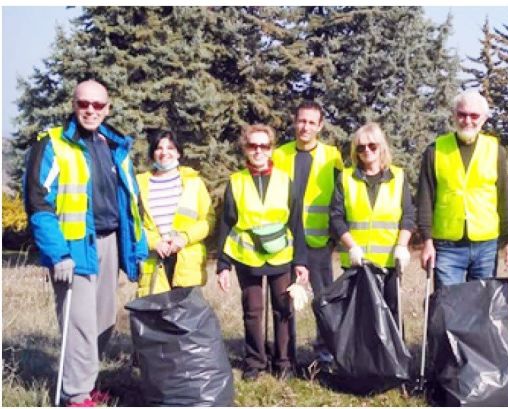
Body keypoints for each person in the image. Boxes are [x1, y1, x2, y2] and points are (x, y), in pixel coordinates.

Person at [23, 79, 147, 406]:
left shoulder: (114, 146)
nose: (90, 110)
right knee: (79, 323)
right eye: (83, 104)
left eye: (97, 105)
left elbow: (131, 203)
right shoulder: (52, 144)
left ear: (107, 108)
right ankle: (76, 396)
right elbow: (39, 203)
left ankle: (87, 383)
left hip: (110, 243)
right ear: (74, 105)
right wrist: (57, 253)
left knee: (104, 320)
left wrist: (138, 248)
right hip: (72, 249)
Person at [215, 124, 309, 381]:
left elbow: (296, 222)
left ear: (271, 149)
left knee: (283, 309)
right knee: (253, 311)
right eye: (253, 146)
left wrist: (301, 261)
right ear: (245, 148)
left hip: (281, 256)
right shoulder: (235, 182)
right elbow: (226, 223)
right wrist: (223, 264)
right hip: (249, 258)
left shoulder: (284, 180)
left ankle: (284, 362)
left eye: (263, 146)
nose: (258, 151)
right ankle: (255, 362)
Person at [417, 90, 508, 288]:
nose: (467, 121)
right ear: (454, 115)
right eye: (462, 114)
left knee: (481, 309)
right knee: (449, 310)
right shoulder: (434, 150)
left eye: (474, 116)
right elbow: (425, 199)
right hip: (447, 245)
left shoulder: (495, 150)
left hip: (486, 244)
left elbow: (504, 198)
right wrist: (426, 240)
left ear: (484, 119)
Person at [272, 101, 343, 364]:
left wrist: (334, 238)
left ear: (320, 126)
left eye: (312, 122)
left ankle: (325, 353)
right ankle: (285, 355)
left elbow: (340, 199)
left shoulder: (333, 156)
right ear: (294, 121)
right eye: (302, 121)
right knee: (283, 300)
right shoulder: (279, 155)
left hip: (318, 243)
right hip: (283, 242)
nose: (306, 127)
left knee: (324, 300)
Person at [329, 123, 415, 321]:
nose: (366, 151)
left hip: (390, 261)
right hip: (358, 262)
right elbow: (336, 217)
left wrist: (402, 246)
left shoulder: (398, 177)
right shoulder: (346, 178)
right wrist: (351, 247)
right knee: (361, 317)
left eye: (372, 146)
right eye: (360, 147)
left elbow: (408, 215)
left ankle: (394, 353)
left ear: (381, 147)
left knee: (391, 314)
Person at [135, 130, 215, 297]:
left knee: (186, 321)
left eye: (170, 148)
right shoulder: (139, 184)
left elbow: (208, 220)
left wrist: (184, 238)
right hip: (154, 263)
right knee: (156, 321)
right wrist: (154, 242)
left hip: (187, 265)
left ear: (178, 152)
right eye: (159, 148)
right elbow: (132, 223)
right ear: (153, 153)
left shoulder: (194, 182)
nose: (164, 152)